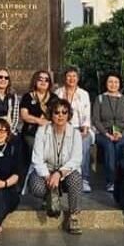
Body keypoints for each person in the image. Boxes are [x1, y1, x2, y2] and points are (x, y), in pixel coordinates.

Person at [28, 98, 83, 235]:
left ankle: (73, 215)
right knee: (36, 186)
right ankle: (49, 197)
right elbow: (37, 158)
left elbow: (76, 159)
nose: (60, 115)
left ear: (68, 114)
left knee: (76, 179)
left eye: (64, 112)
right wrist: (48, 176)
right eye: (56, 112)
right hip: (46, 170)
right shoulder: (42, 130)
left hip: (65, 172)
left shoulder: (75, 133)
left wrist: (59, 174)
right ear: (51, 114)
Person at [92, 72, 124, 193]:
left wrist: (121, 134)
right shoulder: (100, 99)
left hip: (122, 133)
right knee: (109, 146)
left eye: (116, 82)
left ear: (119, 84)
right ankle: (111, 181)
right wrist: (106, 134)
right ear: (106, 83)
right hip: (103, 133)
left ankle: (120, 178)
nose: (113, 84)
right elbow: (96, 119)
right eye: (110, 82)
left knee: (120, 144)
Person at [55, 66, 94, 193]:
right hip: (62, 126)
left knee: (85, 142)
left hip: (79, 127)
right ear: (65, 78)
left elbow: (86, 114)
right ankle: (63, 178)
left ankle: (84, 179)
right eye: (69, 76)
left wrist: (85, 129)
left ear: (78, 78)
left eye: (74, 76)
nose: (71, 79)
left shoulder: (83, 94)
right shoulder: (58, 93)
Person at [19, 69, 57, 167]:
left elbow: (58, 115)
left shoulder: (54, 98)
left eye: (46, 80)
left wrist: (47, 122)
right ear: (35, 81)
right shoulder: (27, 97)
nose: (43, 82)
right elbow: (24, 116)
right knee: (34, 147)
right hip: (31, 133)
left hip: (49, 132)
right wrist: (39, 121)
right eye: (40, 79)